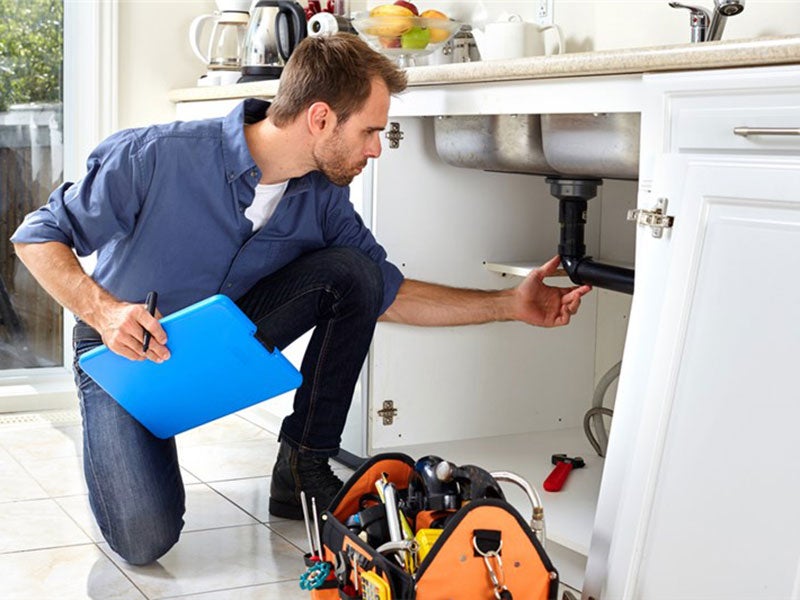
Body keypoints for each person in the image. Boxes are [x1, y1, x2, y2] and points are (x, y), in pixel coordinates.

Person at [10, 34, 591, 566]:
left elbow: (386, 293)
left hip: (221, 338)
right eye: (369, 131)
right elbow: (36, 236)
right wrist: (106, 313)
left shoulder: (323, 201)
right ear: (320, 118)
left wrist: (509, 304)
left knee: (354, 272)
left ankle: (302, 466)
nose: (376, 150)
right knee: (144, 540)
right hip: (127, 352)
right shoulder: (154, 155)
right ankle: (142, 425)